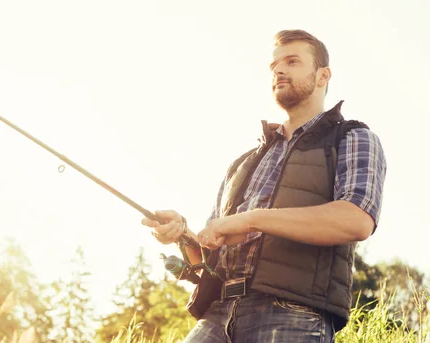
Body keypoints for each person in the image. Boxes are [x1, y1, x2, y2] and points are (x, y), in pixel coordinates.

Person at [141, 29, 387, 343]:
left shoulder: (352, 138)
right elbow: (208, 257)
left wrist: (252, 219)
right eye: (273, 66)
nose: (278, 70)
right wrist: (183, 234)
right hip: (216, 315)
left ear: (323, 75)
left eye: (292, 61)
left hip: (293, 315)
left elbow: (356, 220)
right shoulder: (243, 162)